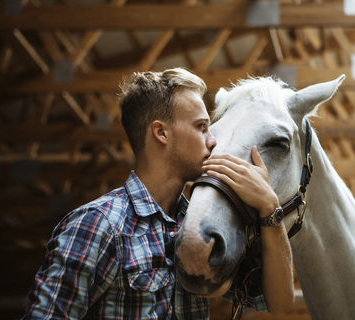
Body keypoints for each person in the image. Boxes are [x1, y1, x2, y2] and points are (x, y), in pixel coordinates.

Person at [22, 68, 294, 319]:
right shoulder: (97, 224)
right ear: (161, 133)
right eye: (201, 127)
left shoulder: (200, 227)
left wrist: (270, 207)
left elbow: (278, 304)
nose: (213, 140)